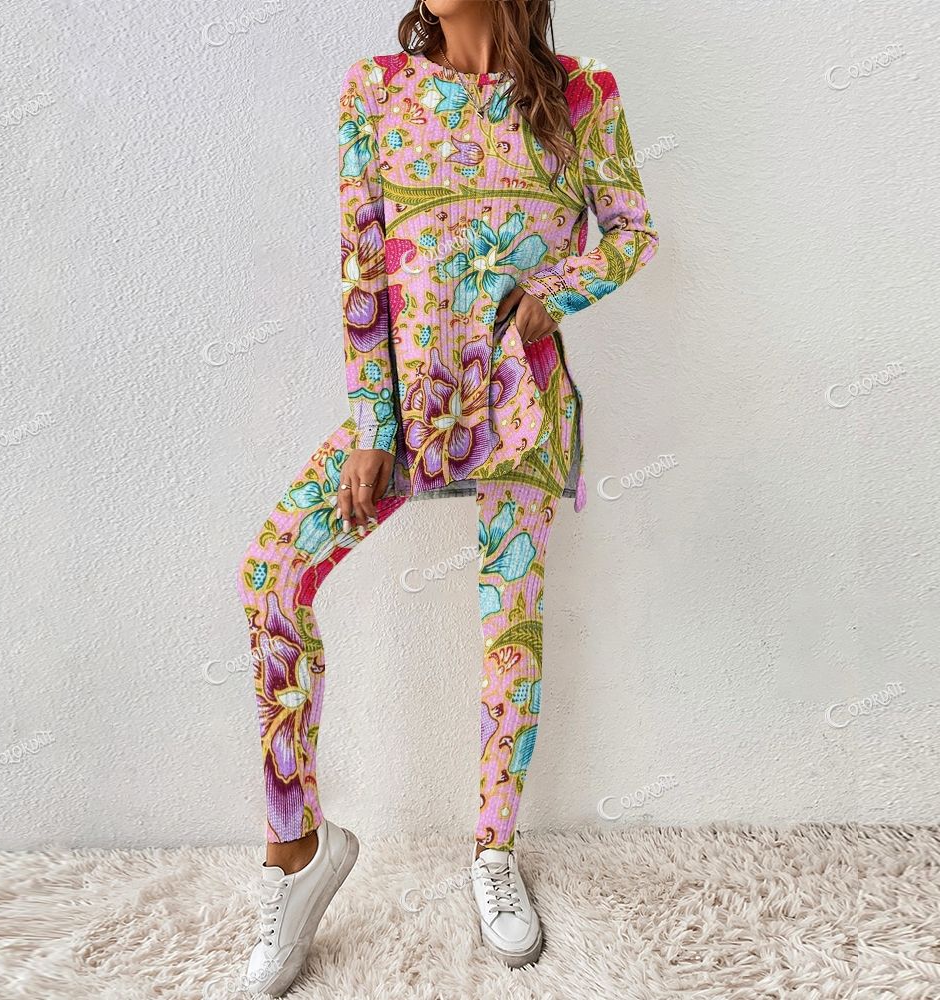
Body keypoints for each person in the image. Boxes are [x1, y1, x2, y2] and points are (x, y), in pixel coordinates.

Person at [235, 0, 659, 993]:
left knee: (510, 631)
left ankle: (493, 851)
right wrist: (372, 429)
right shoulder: (375, 92)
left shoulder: (582, 94)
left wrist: (551, 295)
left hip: (519, 405)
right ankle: (296, 846)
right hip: (409, 410)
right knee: (271, 575)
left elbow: (632, 232)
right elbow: (362, 271)